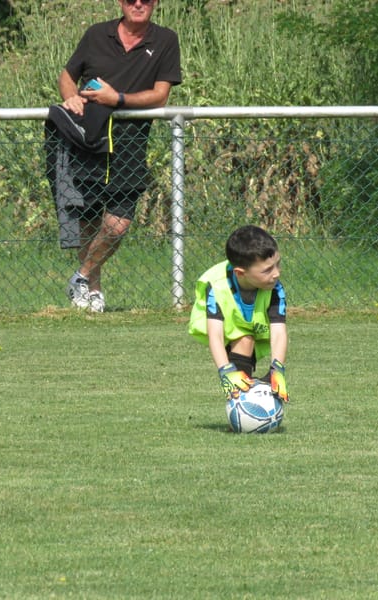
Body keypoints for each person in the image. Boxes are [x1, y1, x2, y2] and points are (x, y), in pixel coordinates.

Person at [54, 0, 182, 312]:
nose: (138, 4)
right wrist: (70, 97)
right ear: (120, 3)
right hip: (89, 139)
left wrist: (117, 99)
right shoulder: (97, 34)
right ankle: (92, 291)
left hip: (130, 143)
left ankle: (80, 276)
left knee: (117, 225)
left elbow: (160, 95)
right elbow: (67, 76)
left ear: (155, 4)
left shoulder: (165, 39)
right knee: (88, 219)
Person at [188, 225, 290, 403]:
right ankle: (239, 401)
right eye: (267, 270)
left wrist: (277, 369)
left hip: (248, 326)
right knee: (244, 339)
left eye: (277, 264)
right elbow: (216, 335)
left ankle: (246, 400)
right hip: (222, 326)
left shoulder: (275, 288)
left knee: (246, 338)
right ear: (240, 273)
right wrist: (225, 371)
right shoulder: (217, 286)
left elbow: (279, 332)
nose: (276, 273)